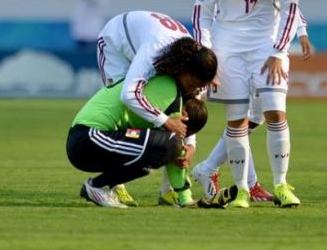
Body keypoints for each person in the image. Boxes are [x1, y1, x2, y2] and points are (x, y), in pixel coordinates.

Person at [190, 0, 313, 203]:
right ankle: (244, 183)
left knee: (265, 112)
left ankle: (243, 177)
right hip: (230, 39)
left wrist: (298, 30)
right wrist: (208, 54)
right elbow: (205, 5)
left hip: (268, 37)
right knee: (245, 115)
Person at [68, 48, 216, 209]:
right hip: (87, 138)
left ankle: (101, 186)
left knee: (154, 157)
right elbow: (170, 143)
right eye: (195, 85)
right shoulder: (168, 90)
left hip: (88, 140)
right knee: (166, 147)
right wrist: (185, 196)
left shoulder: (166, 85)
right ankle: (97, 186)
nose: (194, 90)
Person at [95, 13, 218, 205]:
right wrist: (165, 120)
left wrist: (191, 144)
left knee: (165, 112)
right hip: (115, 42)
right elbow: (128, 95)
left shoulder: (197, 72)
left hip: (145, 39)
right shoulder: (155, 51)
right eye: (193, 84)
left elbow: (186, 113)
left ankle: (167, 191)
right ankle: (113, 184)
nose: (194, 90)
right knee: (123, 111)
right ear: (185, 70)